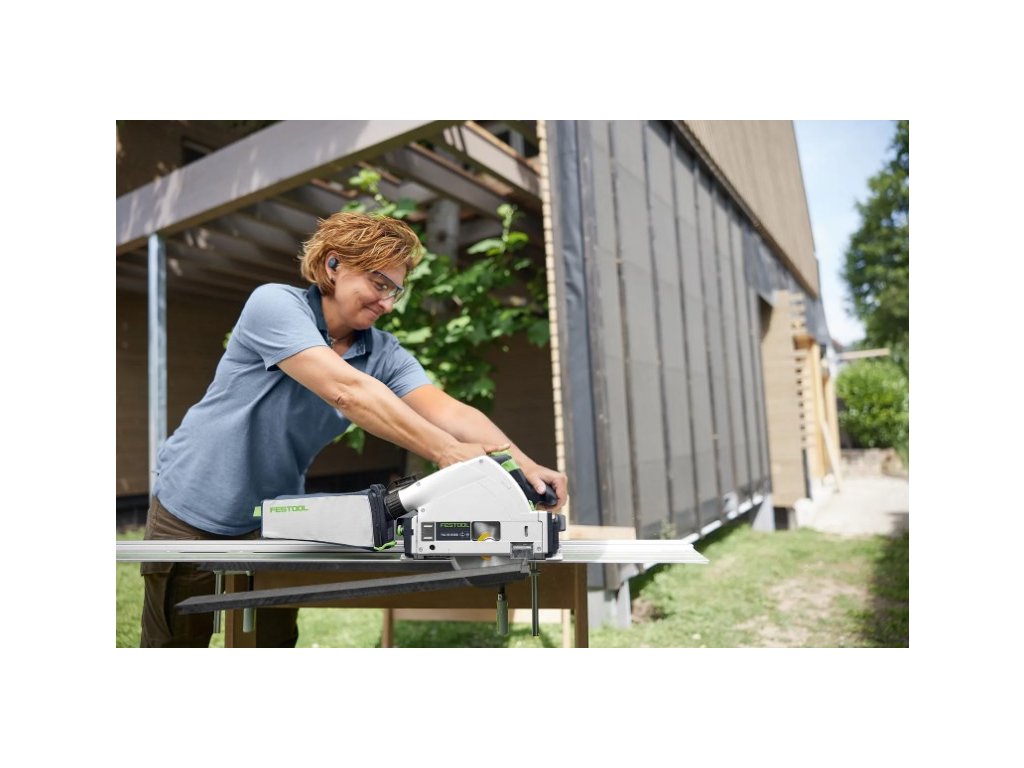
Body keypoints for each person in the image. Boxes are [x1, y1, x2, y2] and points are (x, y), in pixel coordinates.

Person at [140, 211, 568, 647]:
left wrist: (526, 466)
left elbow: (450, 412)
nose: (387, 303)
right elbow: (346, 391)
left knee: (271, 646)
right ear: (333, 265)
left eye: (395, 291)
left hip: (272, 517)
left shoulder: (382, 353)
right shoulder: (275, 305)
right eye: (379, 283)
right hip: (192, 505)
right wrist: (445, 451)